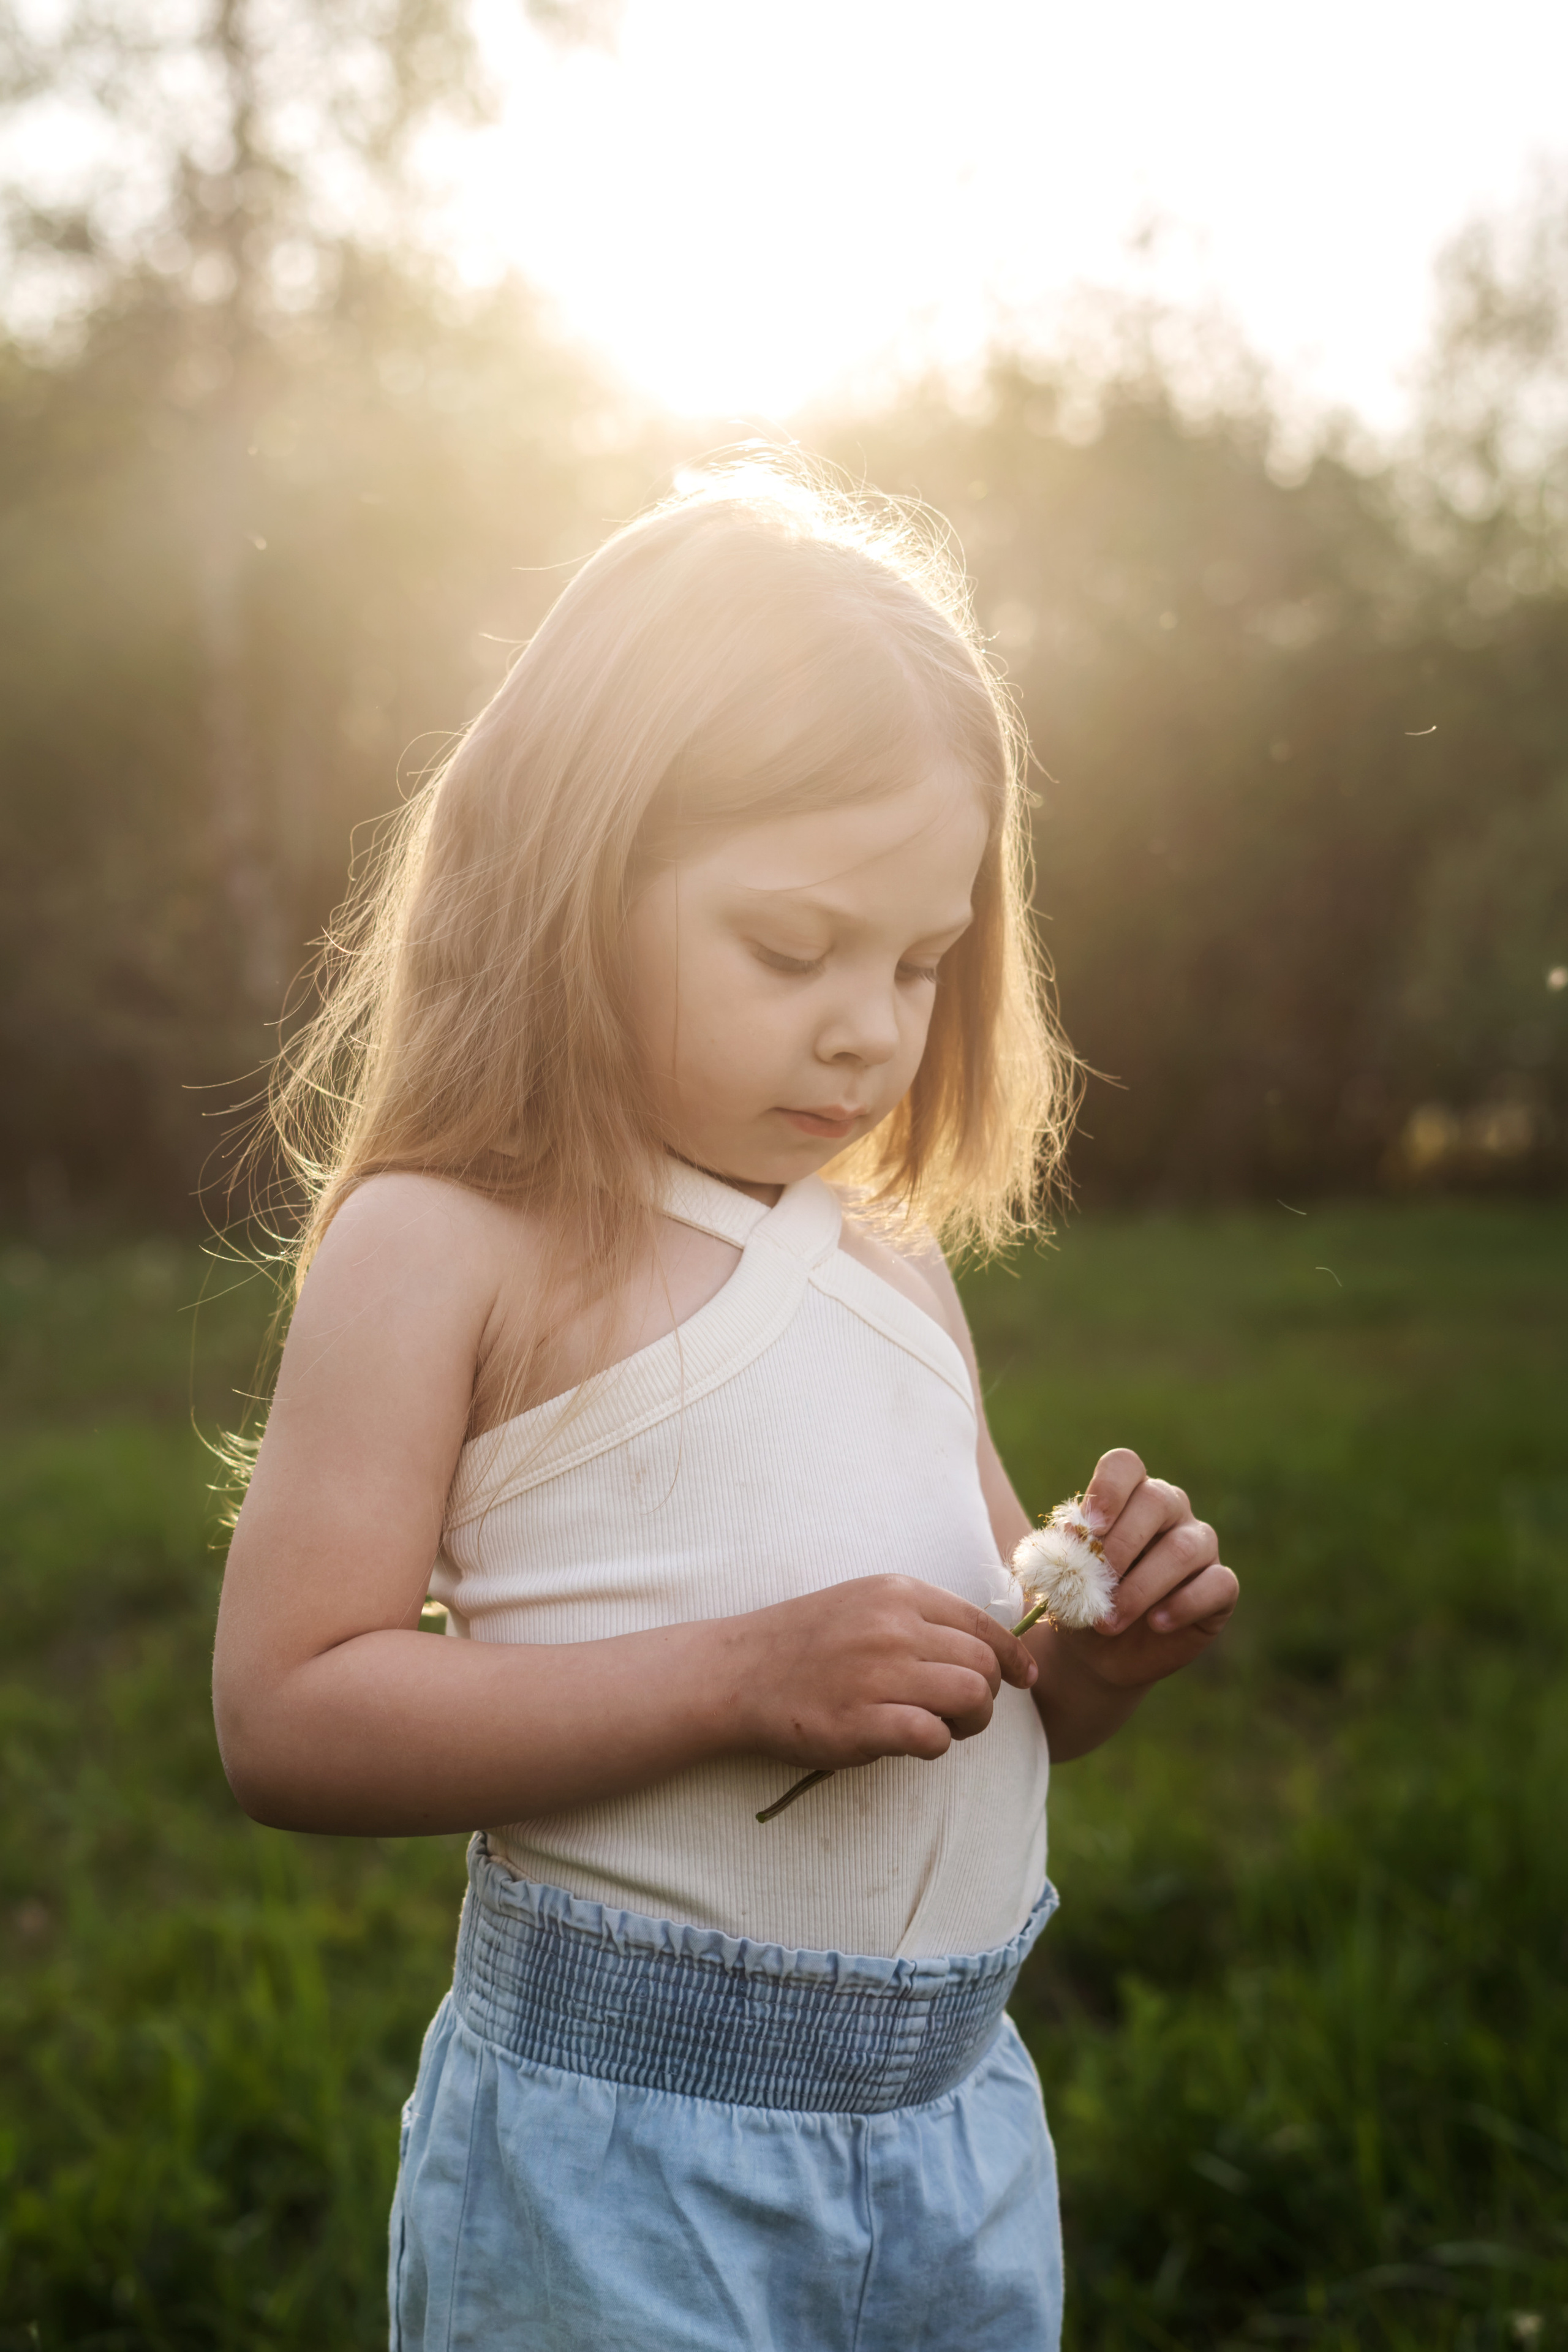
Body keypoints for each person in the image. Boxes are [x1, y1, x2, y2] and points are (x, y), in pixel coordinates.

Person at [212, 454, 1238, 2352]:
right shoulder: (452, 1243)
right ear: (574, 880)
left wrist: (1099, 1641)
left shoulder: (891, 1257)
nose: (869, 1023)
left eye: (920, 962)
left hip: (955, 2130)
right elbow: (288, 1714)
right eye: (791, 949)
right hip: (622, 2159)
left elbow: (1001, 1692)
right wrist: (736, 1676)